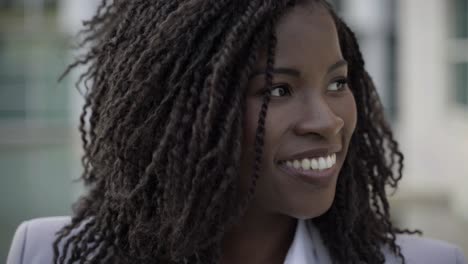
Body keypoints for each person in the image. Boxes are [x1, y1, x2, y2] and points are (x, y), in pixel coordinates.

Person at [6, 0, 467, 263]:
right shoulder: (48, 255)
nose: (328, 121)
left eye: (337, 83)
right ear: (180, 111)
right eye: (279, 90)